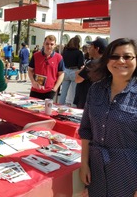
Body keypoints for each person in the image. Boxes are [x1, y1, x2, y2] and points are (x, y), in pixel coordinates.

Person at [79, 38, 137, 197]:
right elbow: (86, 130)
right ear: (107, 60)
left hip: (128, 173)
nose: (121, 61)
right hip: (96, 170)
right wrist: (84, 164)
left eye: (127, 56)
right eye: (115, 56)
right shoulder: (96, 89)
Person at [28, 35, 65, 100]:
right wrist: (33, 82)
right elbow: (30, 70)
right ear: (43, 44)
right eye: (47, 44)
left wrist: (55, 88)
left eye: (51, 44)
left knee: (46, 110)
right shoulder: (36, 55)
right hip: (35, 90)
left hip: (49, 91)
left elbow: (61, 74)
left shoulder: (59, 58)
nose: (49, 46)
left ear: (55, 45)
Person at [73, 38, 107, 108]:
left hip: (85, 98)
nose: (89, 49)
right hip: (98, 99)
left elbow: (78, 79)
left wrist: (79, 72)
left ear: (97, 49)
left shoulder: (92, 64)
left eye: (91, 47)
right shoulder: (107, 63)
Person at [58, 37, 84, 105]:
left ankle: (60, 105)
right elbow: (80, 64)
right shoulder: (79, 52)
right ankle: (72, 106)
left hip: (66, 70)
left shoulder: (65, 51)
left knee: (63, 91)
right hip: (74, 71)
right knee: (73, 92)